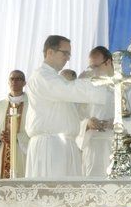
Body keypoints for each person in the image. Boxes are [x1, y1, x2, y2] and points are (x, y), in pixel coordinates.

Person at [24, 35, 108, 178]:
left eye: (69, 54)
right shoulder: (42, 76)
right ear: (50, 52)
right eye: (65, 53)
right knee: (52, 195)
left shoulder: (55, 78)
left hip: (63, 145)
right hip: (50, 146)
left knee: (69, 196)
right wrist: (92, 77)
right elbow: (70, 90)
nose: (68, 58)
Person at [77, 46, 131, 176]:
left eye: (95, 66)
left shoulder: (128, 87)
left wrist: (118, 125)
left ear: (109, 62)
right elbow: (77, 116)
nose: (92, 71)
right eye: (90, 67)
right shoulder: (89, 88)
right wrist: (87, 124)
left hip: (121, 147)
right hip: (94, 149)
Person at [0, 70, 29, 180]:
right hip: (1, 153)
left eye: (18, 79)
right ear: (8, 82)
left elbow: (35, 129)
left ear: (24, 83)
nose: (15, 81)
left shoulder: (31, 105)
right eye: (12, 79)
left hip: (22, 154)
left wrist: (16, 138)